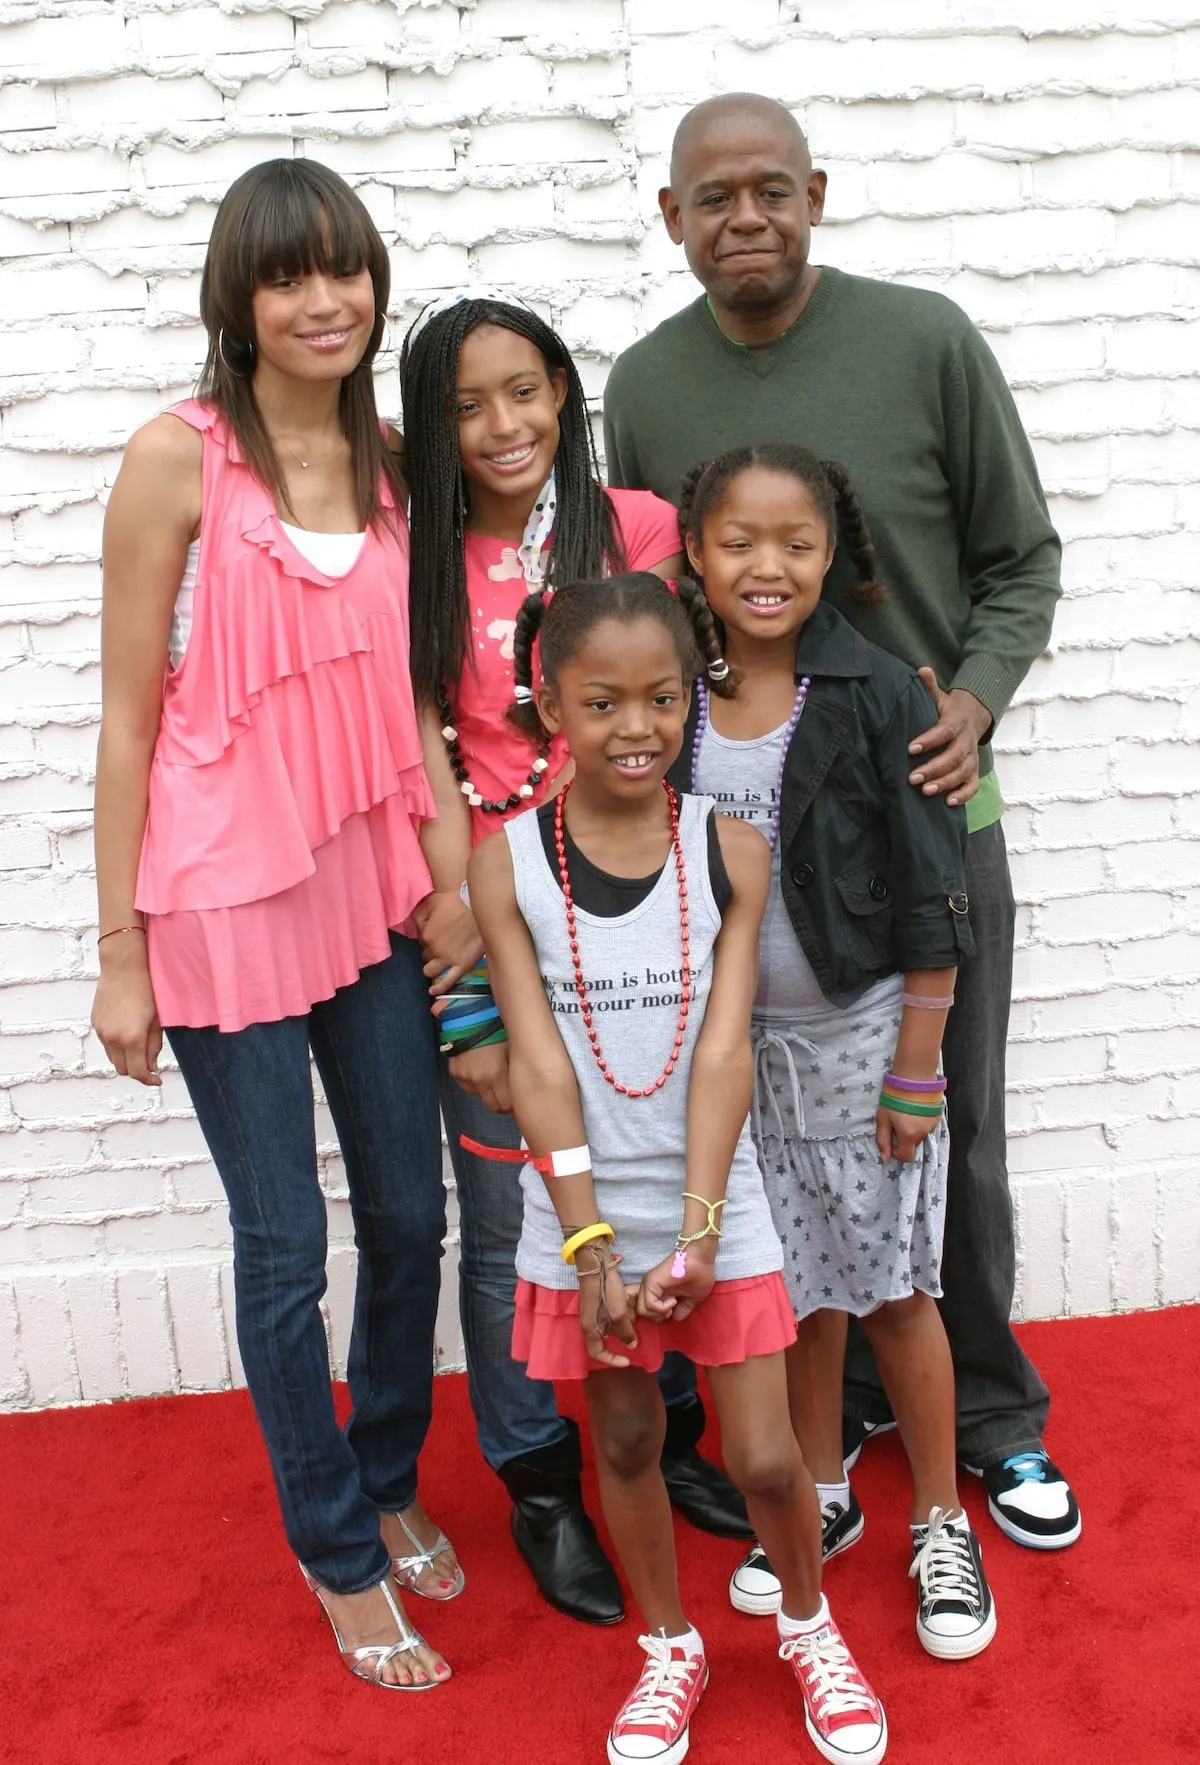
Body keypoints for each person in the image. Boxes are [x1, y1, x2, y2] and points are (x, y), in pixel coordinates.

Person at [604, 94, 1081, 1550]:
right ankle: (853, 1409)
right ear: (669, 216)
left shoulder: (926, 338)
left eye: (769, 189)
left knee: (951, 1131)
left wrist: (978, 702)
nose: (743, 218)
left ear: (814, 191)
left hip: (930, 804)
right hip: (749, 825)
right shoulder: (645, 382)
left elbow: (1024, 558)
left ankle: (991, 1420)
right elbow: (643, 594)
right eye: (712, 197)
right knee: (783, 1154)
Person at [91, 159, 457, 1691]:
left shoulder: (385, 458)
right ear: (238, 302)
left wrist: (444, 881)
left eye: (349, 272)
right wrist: (117, 950)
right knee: (281, 1244)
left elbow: (417, 702)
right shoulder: (177, 459)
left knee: (412, 1214)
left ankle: (382, 1466)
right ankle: (336, 1544)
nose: (327, 302)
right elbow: (124, 715)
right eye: (290, 276)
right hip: (223, 904)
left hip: (367, 892)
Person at [469, 570, 888, 1765]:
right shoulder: (505, 866)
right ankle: (670, 1645)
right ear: (552, 707)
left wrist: (700, 1231)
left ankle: (807, 1624)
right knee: (628, 1443)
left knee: (763, 1454)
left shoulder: (731, 848)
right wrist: (592, 1241)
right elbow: (539, 1064)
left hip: (717, 1190)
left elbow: (723, 1051)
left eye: (661, 698)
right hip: (580, 1205)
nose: (637, 727)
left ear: (687, 700)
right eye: (602, 703)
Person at [399, 292, 752, 1628]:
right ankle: (540, 1478)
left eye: (526, 388)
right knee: (513, 1216)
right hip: (497, 913)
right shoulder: (418, 561)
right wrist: (459, 906)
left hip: (645, 913)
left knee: (650, 1168)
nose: (504, 425)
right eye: (465, 403)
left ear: (565, 389)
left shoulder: (643, 529)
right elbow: (421, 742)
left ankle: (664, 1438)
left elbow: (711, 679)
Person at [670, 442, 995, 1659]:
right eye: (738, 542)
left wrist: (920, 1063)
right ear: (695, 553)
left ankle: (942, 1520)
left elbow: (933, 893)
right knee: (796, 1291)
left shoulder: (877, 692)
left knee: (896, 1290)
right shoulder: (677, 698)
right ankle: (824, 1489)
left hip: (864, 1042)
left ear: (833, 556)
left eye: (795, 544)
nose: (767, 566)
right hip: (738, 1055)